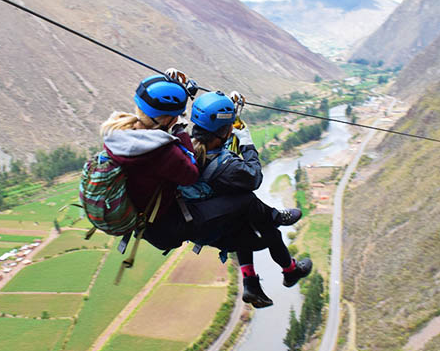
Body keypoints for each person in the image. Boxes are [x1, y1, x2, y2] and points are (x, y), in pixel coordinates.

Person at [180, 91, 312, 308]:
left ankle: (251, 282)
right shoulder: (226, 167)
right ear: (226, 130)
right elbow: (254, 177)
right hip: (219, 231)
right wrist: (247, 144)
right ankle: (289, 269)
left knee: (244, 213)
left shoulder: (185, 150)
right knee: (269, 228)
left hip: (204, 221)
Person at [100, 72, 199, 252]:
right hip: (164, 230)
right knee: (237, 204)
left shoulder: (118, 132)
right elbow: (192, 174)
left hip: (137, 217)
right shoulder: (163, 152)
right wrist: (181, 131)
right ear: (169, 119)